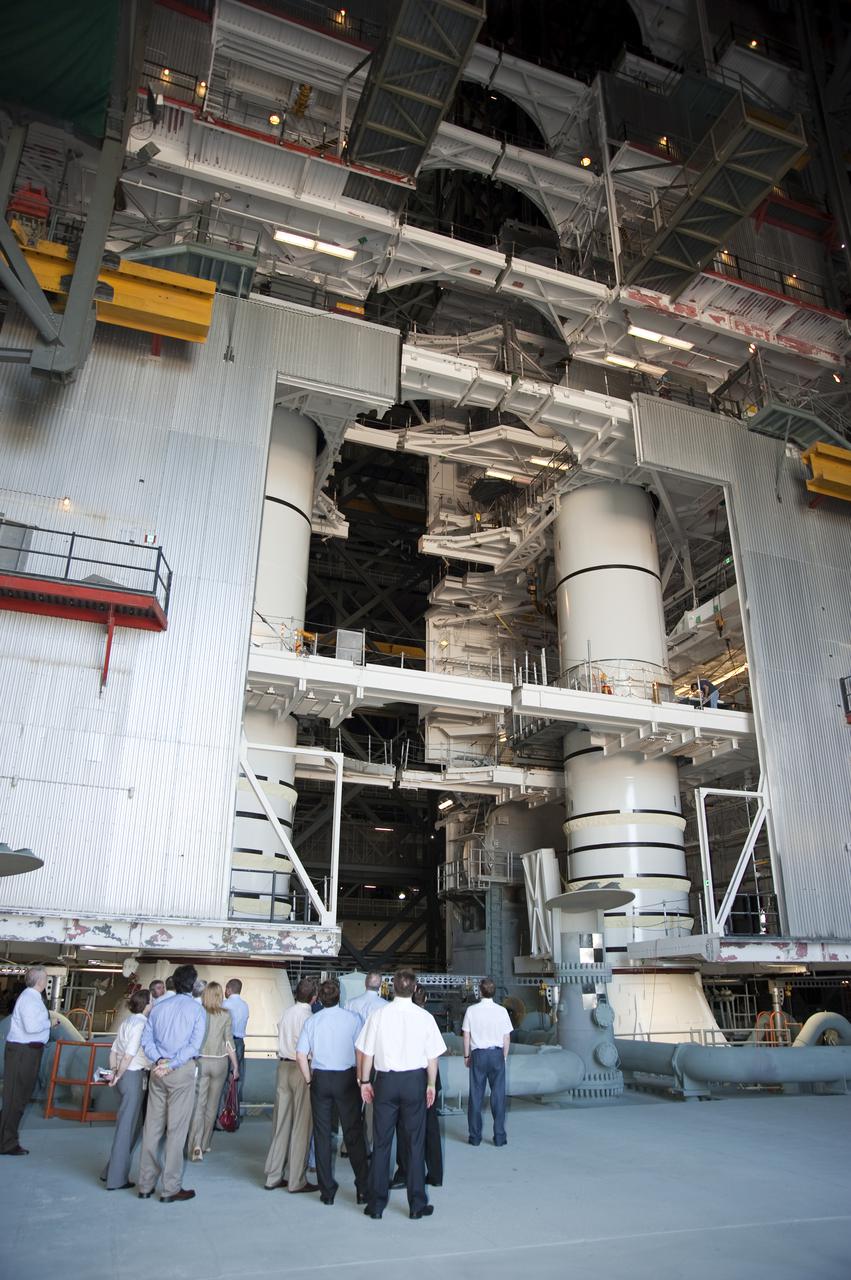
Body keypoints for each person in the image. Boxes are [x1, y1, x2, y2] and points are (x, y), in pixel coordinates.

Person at [356, 968, 446, 1220]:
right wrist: (430, 1084)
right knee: (414, 1143)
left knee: (382, 1142)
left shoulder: (379, 1015)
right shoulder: (425, 1018)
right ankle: (417, 1204)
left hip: (386, 1082)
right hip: (414, 1082)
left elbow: (367, 1052)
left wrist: (365, 1081)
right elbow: (432, 1057)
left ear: (391, 988)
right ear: (415, 989)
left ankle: (375, 1205)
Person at [296, 978, 369, 1207]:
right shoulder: (353, 1019)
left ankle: (327, 1192)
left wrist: (309, 1080)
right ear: (339, 997)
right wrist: (360, 1078)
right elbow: (361, 1050)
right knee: (353, 1133)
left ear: (319, 997)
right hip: (346, 1079)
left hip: (321, 1079)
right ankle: (363, 1189)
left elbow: (300, 1054)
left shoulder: (313, 1021)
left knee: (322, 1134)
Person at [137, 964, 205, 1203]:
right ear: (194, 984)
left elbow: (146, 1039)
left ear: (173, 983)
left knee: (152, 1128)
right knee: (176, 1131)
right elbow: (193, 1046)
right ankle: (170, 1187)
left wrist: (159, 1060)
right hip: (180, 1070)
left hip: (158, 1070)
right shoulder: (197, 1011)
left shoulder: (158, 1007)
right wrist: (173, 1063)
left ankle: (144, 1184)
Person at [264, 977, 317, 1193]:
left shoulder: (286, 1012)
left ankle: (273, 1176)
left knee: (280, 1124)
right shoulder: (309, 1018)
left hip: (283, 1068)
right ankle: (296, 1180)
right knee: (301, 1127)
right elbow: (308, 1049)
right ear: (314, 998)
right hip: (301, 1069)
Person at [391, 985, 442, 1189]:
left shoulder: (402, 1019)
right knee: (431, 1127)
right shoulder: (429, 1019)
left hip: (409, 1077)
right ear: (426, 999)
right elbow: (435, 1053)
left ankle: (405, 1172)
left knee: (405, 1127)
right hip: (429, 1076)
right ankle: (436, 1173)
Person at [103, 988, 152, 1190]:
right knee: (127, 1127)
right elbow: (130, 1054)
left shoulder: (127, 1021)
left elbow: (114, 1050)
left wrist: (115, 1072)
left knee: (132, 1126)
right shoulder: (141, 1025)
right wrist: (120, 1074)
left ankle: (111, 1170)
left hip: (124, 1075)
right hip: (133, 1075)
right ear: (147, 1004)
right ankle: (116, 1179)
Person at [1, 966, 51, 1155]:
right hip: (24, 1052)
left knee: (18, 1097)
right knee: (15, 1098)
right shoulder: (30, 999)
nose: (46, 982)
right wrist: (49, 1022)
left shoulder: (32, 998)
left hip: (27, 1052)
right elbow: (31, 1027)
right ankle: (7, 1144)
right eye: (45, 978)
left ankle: (4, 1139)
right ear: (39, 981)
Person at [187, 982, 238, 1162]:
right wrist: (235, 1065)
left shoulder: (197, 1012)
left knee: (198, 1106)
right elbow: (229, 1042)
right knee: (212, 1107)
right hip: (220, 1062)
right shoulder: (226, 1015)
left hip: (200, 1061)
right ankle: (206, 1142)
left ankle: (195, 1145)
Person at [462, 977, 513, 1148]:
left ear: (480, 991)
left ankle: (475, 1137)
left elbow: (467, 1035)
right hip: (497, 1054)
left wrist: (466, 1056)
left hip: (478, 1055)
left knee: (476, 1096)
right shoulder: (502, 1011)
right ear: (494, 992)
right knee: (498, 1097)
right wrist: (503, 1057)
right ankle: (499, 1137)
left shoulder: (471, 1010)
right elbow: (506, 1037)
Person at [348, 972, 387, 1150]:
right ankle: (369, 1144)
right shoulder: (385, 1007)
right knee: (371, 1104)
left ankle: (348, 1145)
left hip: (354, 1059)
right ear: (380, 986)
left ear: (365, 983)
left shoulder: (351, 1003)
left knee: (351, 1106)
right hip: (374, 1061)